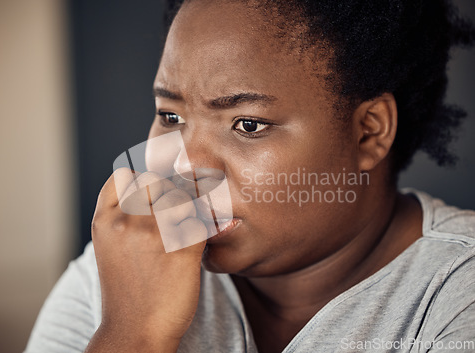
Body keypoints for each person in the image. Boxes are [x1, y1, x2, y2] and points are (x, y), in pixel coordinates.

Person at [25, 0, 475, 352]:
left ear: (368, 132)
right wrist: (132, 332)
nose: (183, 165)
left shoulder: (458, 292)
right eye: (170, 115)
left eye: (248, 124)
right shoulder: (120, 275)